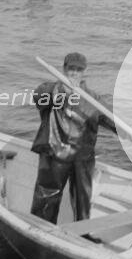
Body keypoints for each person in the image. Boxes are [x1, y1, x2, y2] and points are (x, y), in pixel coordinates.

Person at [30, 52, 118, 224]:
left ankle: (82, 235)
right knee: (47, 196)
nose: (74, 73)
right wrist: (61, 90)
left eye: (79, 69)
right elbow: (38, 96)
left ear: (85, 71)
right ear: (64, 69)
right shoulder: (51, 90)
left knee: (82, 200)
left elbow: (112, 120)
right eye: (71, 69)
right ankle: (40, 228)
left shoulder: (93, 98)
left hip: (82, 158)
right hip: (55, 153)